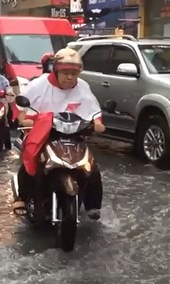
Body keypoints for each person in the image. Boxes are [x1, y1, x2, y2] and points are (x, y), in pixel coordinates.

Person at [12, 48, 105, 220]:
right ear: (55, 70)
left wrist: (97, 124)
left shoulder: (83, 87)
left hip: (73, 135)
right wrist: (25, 119)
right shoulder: (39, 85)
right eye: (65, 73)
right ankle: (22, 198)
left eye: (74, 73)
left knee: (92, 168)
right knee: (31, 161)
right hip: (44, 135)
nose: (70, 77)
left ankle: (93, 205)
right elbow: (22, 110)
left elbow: (93, 111)